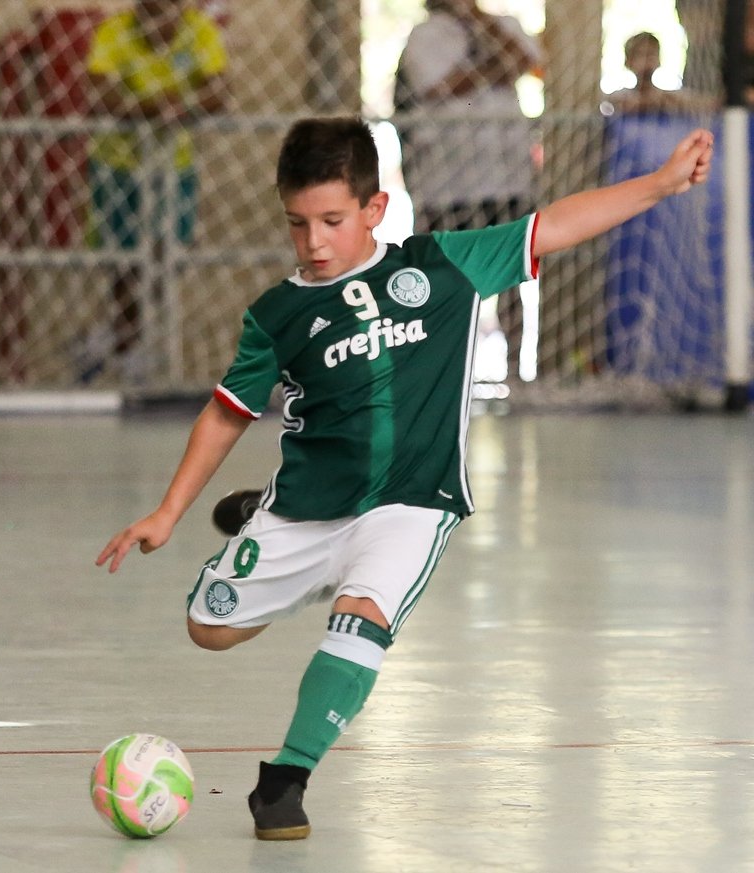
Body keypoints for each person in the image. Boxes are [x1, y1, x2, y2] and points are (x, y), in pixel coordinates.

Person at [96, 116, 714, 840]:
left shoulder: (444, 266)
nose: (314, 241)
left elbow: (556, 225)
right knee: (209, 627)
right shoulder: (277, 314)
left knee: (364, 615)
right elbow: (226, 413)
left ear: (374, 209)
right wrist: (167, 512)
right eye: (297, 224)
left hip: (412, 502)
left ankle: (285, 781)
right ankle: (277, 519)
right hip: (309, 502)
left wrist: (662, 183)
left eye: (331, 220)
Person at [394, 0, 542, 379]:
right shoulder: (424, 35)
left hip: (506, 177)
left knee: (512, 278)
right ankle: (438, 374)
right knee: (442, 282)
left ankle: (515, 373)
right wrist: (495, 71)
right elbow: (441, 86)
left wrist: (478, 19)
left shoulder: (504, 24)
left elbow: (526, 61)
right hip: (446, 183)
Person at [85, 0, 228, 380]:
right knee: (123, 259)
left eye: (168, 14)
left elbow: (219, 93)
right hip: (117, 163)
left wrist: (175, 106)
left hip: (172, 164)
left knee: (168, 253)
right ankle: (126, 340)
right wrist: (157, 108)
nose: (159, 26)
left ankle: (125, 337)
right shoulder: (114, 32)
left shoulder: (200, 31)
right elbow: (101, 95)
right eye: (151, 14)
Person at [603, 32, 696, 115]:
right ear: (628, 62)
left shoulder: (672, 97)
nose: (647, 61)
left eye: (651, 54)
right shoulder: (619, 96)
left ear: (659, 60)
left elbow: (702, 103)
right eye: (640, 55)